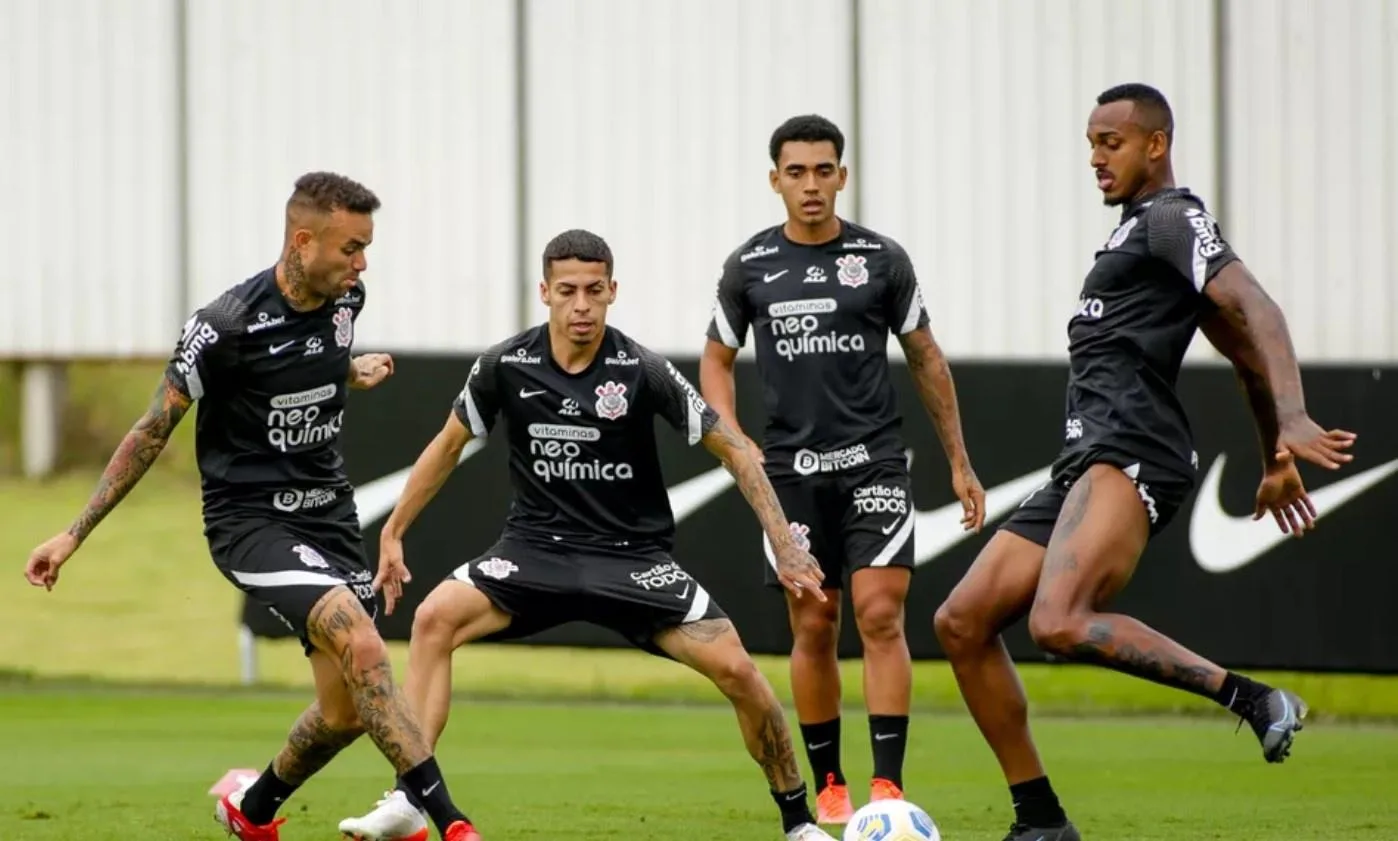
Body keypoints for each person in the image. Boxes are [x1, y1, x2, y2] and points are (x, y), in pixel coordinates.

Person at [931, 83, 1358, 841]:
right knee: (961, 621)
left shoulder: (1172, 219)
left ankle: (1253, 699)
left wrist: (1293, 420)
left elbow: (1257, 310)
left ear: (1155, 145)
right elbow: (1242, 357)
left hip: (1134, 450)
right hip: (1087, 456)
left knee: (1058, 621)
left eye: (1112, 143)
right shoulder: (1138, 235)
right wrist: (1270, 458)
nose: (1096, 158)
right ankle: (1041, 821)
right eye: (1091, 144)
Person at [336, 229, 839, 841]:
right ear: (544, 292)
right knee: (434, 618)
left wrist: (784, 541)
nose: (582, 306)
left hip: (632, 561)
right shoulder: (504, 365)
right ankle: (410, 799)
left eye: (594, 292)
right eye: (568, 291)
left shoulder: (641, 369)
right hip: (533, 553)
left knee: (740, 672)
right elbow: (446, 447)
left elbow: (734, 449)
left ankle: (798, 822)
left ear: (612, 292)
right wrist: (393, 533)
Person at [22, 173, 482, 841]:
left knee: (346, 710)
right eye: (352, 247)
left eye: (366, 248)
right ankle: (453, 823)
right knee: (362, 641)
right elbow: (152, 430)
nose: (362, 264)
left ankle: (253, 806)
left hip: (329, 518)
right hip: (252, 523)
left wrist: (349, 369)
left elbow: (310, 356)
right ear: (303, 241)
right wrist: (73, 533)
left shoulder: (347, 298)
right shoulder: (224, 325)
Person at [699, 114, 986, 824]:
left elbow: (926, 357)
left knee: (881, 612)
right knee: (815, 622)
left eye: (824, 170)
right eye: (796, 172)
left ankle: (888, 784)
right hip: (790, 477)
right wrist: (735, 443)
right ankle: (829, 780)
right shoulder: (749, 266)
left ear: (843, 176)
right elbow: (714, 360)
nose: (811, 185)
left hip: (874, 463)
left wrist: (959, 461)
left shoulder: (882, 260)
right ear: (775, 180)